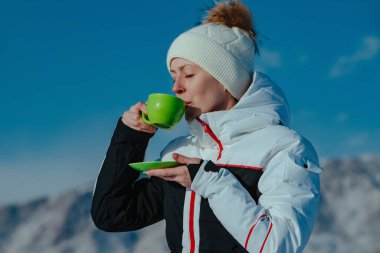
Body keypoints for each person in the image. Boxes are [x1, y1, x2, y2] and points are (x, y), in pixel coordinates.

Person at [91, 1, 323, 252]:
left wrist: (210, 180)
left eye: (188, 74)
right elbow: (111, 214)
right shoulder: (181, 152)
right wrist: (131, 136)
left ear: (226, 80)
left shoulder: (284, 148)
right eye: (173, 76)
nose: (176, 88)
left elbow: (278, 244)